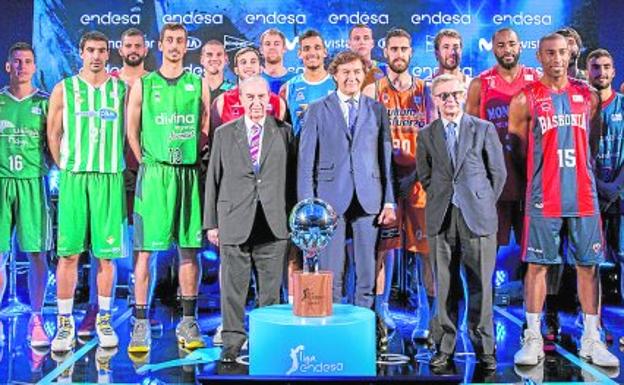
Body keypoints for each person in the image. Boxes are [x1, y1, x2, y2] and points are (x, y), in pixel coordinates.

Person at [510, 33, 619, 368]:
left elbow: (593, 141)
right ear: (539, 56)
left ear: (570, 54)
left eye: (562, 52)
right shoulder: (525, 98)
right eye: (550, 53)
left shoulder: (588, 96)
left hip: (584, 195)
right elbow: (517, 150)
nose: (557, 59)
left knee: (589, 267)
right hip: (545, 195)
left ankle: (591, 338)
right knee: (538, 267)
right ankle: (532, 336)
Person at [126, 22, 210, 353]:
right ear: (159, 44)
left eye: (180, 41)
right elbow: (131, 130)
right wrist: (146, 162)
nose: (175, 45)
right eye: (169, 40)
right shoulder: (144, 85)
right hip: (155, 173)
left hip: (187, 174)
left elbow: (204, 127)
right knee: (145, 252)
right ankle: (141, 323)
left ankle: (188, 320)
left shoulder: (198, 84)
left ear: (187, 45)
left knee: (189, 249)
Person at [416, 73, 505, 371]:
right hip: (441, 217)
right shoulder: (427, 134)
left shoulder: (483, 129)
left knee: (481, 285)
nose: (450, 100)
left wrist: (479, 202)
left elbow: (498, 174)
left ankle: (485, 349)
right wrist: (445, 197)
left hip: (477, 218)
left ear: (464, 95)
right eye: (443, 96)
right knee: (444, 287)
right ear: (435, 99)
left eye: (455, 94)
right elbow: (425, 176)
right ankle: (445, 346)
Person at [204, 75, 295, 363]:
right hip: (234, 221)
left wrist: (292, 220)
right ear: (241, 100)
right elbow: (213, 181)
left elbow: (292, 179)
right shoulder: (224, 134)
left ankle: (267, 341)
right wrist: (211, 223)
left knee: (270, 292)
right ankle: (231, 343)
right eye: (250, 97)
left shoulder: (285, 132)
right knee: (233, 290)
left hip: (273, 222)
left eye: (261, 98)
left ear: (270, 100)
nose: (256, 103)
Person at [298, 50, 396, 311]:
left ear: (364, 75)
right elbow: (306, 161)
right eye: (345, 73)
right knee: (332, 273)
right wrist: (309, 206)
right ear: (335, 75)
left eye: (356, 72)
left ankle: (363, 331)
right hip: (330, 200)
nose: (351, 77)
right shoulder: (317, 109)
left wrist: (389, 201)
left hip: (370, 198)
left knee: (366, 274)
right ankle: (334, 328)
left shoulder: (377, 109)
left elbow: (385, 157)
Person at [47, 31, 127, 351]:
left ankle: (103, 319)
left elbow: (127, 133)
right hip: (74, 176)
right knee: (69, 254)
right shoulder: (64, 89)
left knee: (106, 256)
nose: (96, 55)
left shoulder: (120, 89)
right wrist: (67, 164)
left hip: (108, 177)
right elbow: (53, 134)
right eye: (90, 50)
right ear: (81, 52)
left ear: (108, 55)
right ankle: (65, 324)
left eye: (101, 50)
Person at [77, 27, 153, 338]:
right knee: (101, 244)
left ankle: (142, 310)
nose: (133, 49)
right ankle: (96, 306)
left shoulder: (153, 82)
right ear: (118, 50)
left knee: (145, 243)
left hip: (147, 170)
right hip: (110, 171)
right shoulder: (108, 84)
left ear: (145, 49)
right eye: (127, 45)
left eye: (138, 45)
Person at [362, 28, 434, 338]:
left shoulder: (425, 90)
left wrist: (416, 173)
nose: (399, 54)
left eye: (404, 49)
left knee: (424, 250)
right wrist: (386, 179)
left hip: (418, 181)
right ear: (385, 51)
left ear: (411, 52)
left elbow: (433, 139)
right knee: (383, 249)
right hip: (385, 182)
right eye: (394, 49)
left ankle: (426, 316)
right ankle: (381, 312)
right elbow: (365, 141)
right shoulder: (372, 90)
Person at [465, 28, 539, 249]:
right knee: (489, 248)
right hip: (496, 180)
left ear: (520, 46)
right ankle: (488, 286)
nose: (507, 49)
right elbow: (469, 135)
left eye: (511, 44)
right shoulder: (481, 84)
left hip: (530, 178)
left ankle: (531, 286)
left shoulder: (535, 80)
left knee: (534, 249)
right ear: (493, 48)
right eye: (501, 45)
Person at [0, 42, 51, 347]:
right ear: (8, 66)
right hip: (1, 180)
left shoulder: (45, 103)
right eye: (16, 61)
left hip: (33, 181)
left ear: (34, 67)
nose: (21, 66)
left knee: (37, 254)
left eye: (27, 61)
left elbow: (56, 142)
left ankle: (36, 319)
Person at [587, 48, 624, 339]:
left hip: (621, 196)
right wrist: (600, 186)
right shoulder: (579, 107)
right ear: (588, 72)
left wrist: (616, 186)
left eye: (606, 66)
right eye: (595, 67)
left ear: (613, 72)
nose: (601, 72)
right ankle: (594, 325)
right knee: (592, 263)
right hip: (590, 195)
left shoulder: (623, 105)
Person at [212, 47, 286, 128]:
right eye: (243, 62)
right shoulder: (222, 101)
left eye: (253, 62)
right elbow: (217, 137)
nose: (249, 66)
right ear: (236, 70)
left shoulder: (277, 102)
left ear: (261, 68)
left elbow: (282, 135)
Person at [280, 29, 335, 136]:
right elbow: (283, 131)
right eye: (306, 48)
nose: (312, 53)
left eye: (317, 47)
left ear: (325, 52)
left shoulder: (338, 84)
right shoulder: (287, 88)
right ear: (299, 53)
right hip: (301, 150)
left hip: (332, 150)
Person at [348, 24, 387, 90]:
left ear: (372, 44)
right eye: (357, 38)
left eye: (366, 38)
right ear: (349, 44)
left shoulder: (384, 69)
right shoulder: (342, 71)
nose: (362, 42)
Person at [260, 28, 295, 94]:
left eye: (276, 44)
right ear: (261, 49)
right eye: (267, 44)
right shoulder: (254, 81)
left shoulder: (295, 80)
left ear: (284, 48)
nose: (272, 47)